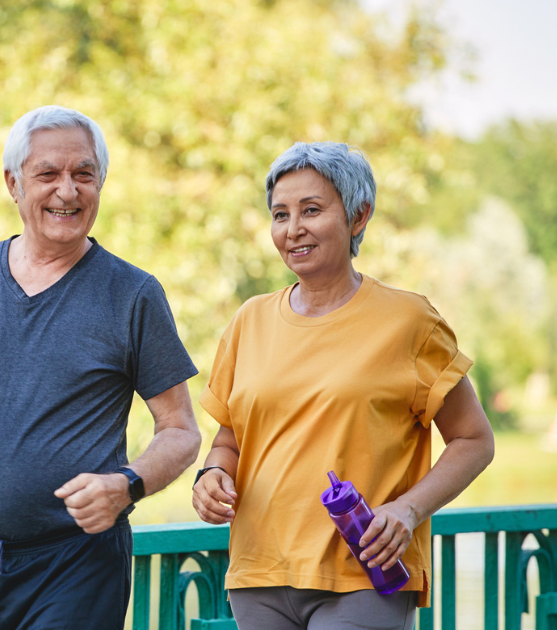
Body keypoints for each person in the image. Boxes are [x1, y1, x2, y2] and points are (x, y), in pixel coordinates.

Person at [0, 105, 202, 630]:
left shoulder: (133, 294)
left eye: (84, 174)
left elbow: (181, 430)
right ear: (13, 184)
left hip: (76, 563)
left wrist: (127, 485)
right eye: (48, 174)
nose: (68, 191)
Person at [191, 142, 495, 628]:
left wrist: (407, 510)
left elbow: (474, 440)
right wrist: (210, 476)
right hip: (258, 576)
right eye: (280, 215)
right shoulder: (250, 320)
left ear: (358, 216)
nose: (293, 230)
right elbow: (230, 439)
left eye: (311, 210)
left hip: (363, 574)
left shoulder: (409, 321)